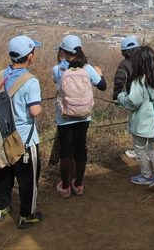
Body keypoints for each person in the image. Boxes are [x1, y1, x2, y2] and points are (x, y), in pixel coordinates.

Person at [0, 36, 44, 229]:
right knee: (28, 180)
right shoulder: (31, 81)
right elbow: (34, 111)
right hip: (25, 139)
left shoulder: (0, 76)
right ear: (30, 57)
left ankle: (1, 208)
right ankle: (27, 215)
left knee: (3, 175)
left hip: (3, 137)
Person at [52, 35, 107, 197]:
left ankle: (66, 187)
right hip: (83, 116)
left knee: (66, 150)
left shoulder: (58, 70)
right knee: (80, 148)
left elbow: (57, 81)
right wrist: (100, 73)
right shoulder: (87, 69)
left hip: (64, 116)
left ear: (63, 52)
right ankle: (79, 184)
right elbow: (102, 86)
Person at [118, 46, 154, 191]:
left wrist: (121, 97)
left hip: (141, 123)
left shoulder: (138, 82)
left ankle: (147, 175)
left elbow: (132, 102)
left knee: (139, 148)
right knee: (149, 147)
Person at [113, 36, 140, 160]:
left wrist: (117, 97)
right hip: (151, 96)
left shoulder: (124, 65)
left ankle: (139, 151)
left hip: (134, 97)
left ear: (123, 52)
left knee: (136, 124)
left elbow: (119, 81)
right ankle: (145, 150)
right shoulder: (145, 60)